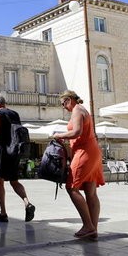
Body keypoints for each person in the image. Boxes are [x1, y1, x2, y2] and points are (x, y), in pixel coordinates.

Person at [53, 90, 105, 239]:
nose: (64, 107)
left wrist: (59, 135)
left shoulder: (77, 110)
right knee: (91, 192)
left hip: (84, 152)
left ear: (69, 100)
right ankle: (93, 229)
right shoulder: (83, 110)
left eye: (63, 104)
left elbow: (76, 131)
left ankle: (88, 226)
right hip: (92, 151)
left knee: (72, 188)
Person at [0, 94, 35, 223]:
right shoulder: (14, 114)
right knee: (14, 181)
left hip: (2, 150)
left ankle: (3, 213)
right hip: (14, 151)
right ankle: (27, 203)